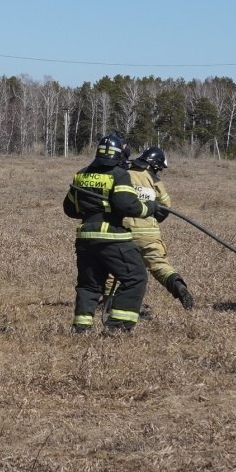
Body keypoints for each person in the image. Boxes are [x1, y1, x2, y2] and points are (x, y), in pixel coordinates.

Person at [62, 132, 163, 333]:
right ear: (119, 155)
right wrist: (150, 207)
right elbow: (128, 206)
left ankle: (81, 328)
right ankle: (118, 326)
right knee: (135, 277)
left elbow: (70, 209)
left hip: (85, 238)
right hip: (112, 237)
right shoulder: (119, 175)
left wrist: (93, 208)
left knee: (89, 285)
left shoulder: (81, 174)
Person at [124, 146, 193, 309]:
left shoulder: (124, 175)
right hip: (149, 232)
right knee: (159, 263)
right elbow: (165, 206)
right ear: (154, 165)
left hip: (124, 230)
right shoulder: (155, 181)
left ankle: (110, 300)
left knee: (117, 266)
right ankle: (177, 284)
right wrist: (153, 219)